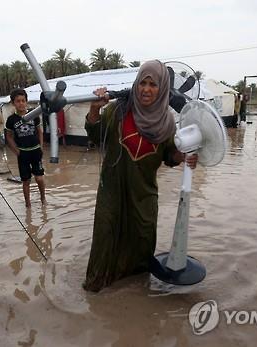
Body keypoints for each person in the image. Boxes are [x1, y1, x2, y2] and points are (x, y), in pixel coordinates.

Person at [83, 60, 198, 292]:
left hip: (143, 198)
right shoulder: (118, 110)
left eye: (152, 84)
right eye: (142, 83)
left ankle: (136, 299)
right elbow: (96, 135)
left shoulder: (167, 125)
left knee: (141, 246)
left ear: (162, 88)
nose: (146, 89)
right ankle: (95, 292)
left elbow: (170, 157)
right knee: (105, 238)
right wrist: (95, 109)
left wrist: (185, 156)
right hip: (111, 194)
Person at [5, 88, 46, 207]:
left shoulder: (34, 115)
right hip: (22, 154)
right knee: (26, 181)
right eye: (18, 101)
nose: (21, 103)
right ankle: (28, 205)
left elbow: (40, 132)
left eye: (23, 100)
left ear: (26, 101)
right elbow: (9, 137)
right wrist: (16, 151)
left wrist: (41, 147)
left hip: (36, 151)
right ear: (13, 103)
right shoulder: (11, 120)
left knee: (39, 178)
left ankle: (43, 199)